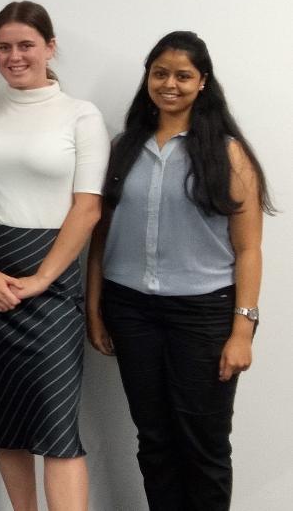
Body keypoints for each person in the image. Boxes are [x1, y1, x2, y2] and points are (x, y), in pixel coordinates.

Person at [86, 31, 271, 510]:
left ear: (202, 81)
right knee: (154, 441)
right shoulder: (123, 148)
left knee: (204, 444)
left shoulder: (228, 154)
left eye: (183, 76)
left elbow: (249, 249)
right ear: (148, 77)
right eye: (160, 73)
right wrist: (94, 308)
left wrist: (243, 330)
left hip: (204, 315)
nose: (170, 84)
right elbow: (100, 237)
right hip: (131, 311)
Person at [0, 1, 108, 511]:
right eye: (4, 47)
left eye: (26, 45)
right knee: (4, 418)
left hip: (54, 281)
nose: (14, 56)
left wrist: (43, 278)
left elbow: (87, 208)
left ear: (50, 47)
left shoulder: (81, 114)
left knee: (56, 425)